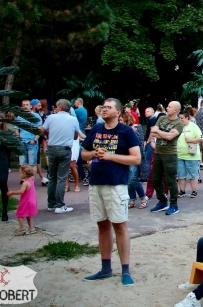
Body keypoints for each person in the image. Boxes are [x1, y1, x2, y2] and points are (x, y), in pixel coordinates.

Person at [81, 97, 141, 286]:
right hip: (96, 183)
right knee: (102, 226)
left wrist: (110, 156)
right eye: (103, 107)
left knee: (120, 226)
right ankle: (105, 269)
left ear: (118, 112)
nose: (104, 109)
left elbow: (136, 159)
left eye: (108, 107)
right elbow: (83, 155)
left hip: (116, 185)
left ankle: (125, 271)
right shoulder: (96, 130)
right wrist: (94, 154)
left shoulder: (126, 132)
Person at [39, 99, 80, 214]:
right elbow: (76, 136)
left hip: (52, 148)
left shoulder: (51, 117)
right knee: (61, 177)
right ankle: (59, 205)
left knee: (52, 177)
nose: (55, 108)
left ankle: (51, 204)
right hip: (65, 149)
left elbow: (42, 130)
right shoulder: (73, 119)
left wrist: (49, 133)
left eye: (56, 106)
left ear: (60, 107)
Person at [149, 101, 183, 215]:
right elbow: (153, 132)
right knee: (155, 179)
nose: (167, 108)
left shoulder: (179, 123)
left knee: (170, 180)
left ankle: (174, 205)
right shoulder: (162, 118)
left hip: (170, 154)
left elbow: (170, 137)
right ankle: (162, 202)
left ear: (176, 110)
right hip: (158, 153)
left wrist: (159, 132)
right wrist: (165, 134)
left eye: (169, 107)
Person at [120, 112, 147, 209]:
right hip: (124, 157)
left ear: (126, 120)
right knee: (128, 180)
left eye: (121, 120)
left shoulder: (136, 128)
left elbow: (139, 142)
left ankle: (143, 197)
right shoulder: (120, 130)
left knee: (132, 179)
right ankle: (132, 199)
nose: (119, 122)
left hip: (133, 156)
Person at [177, 109, 202, 199]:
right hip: (179, 154)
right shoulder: (178, 127)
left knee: (193, 174)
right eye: (179, 118)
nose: (180, 120)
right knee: (181, 174)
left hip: (191, 155)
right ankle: (182, 191)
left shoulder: (194, 126)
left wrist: (191, 140)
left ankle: (194, 190)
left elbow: (200, 138)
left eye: (182, 118)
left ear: (187, 117)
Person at [7, 165, 38, 235]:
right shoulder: (31, 180)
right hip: (32, 201)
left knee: (19, 213)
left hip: (26, 201)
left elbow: (21, 191)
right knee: (28, 214)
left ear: (24, 173)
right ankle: (31, 228)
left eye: (20, 173)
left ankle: (22, 228)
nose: (19, 175)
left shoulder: (25, 183)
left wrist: (12, 192)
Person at [16, 99, 42, 168]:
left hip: (32, 142)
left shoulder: (36, 116)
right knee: (22, 164)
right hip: (22, 142)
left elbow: (39, 130)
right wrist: (18, 138)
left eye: (27, 105)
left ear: (31, 106)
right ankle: (23, 176)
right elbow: (16, 128)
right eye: (23, 105)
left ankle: (32, 176)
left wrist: (35, 140)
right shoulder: (19, 117)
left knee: (32, 164)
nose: (25, 106)